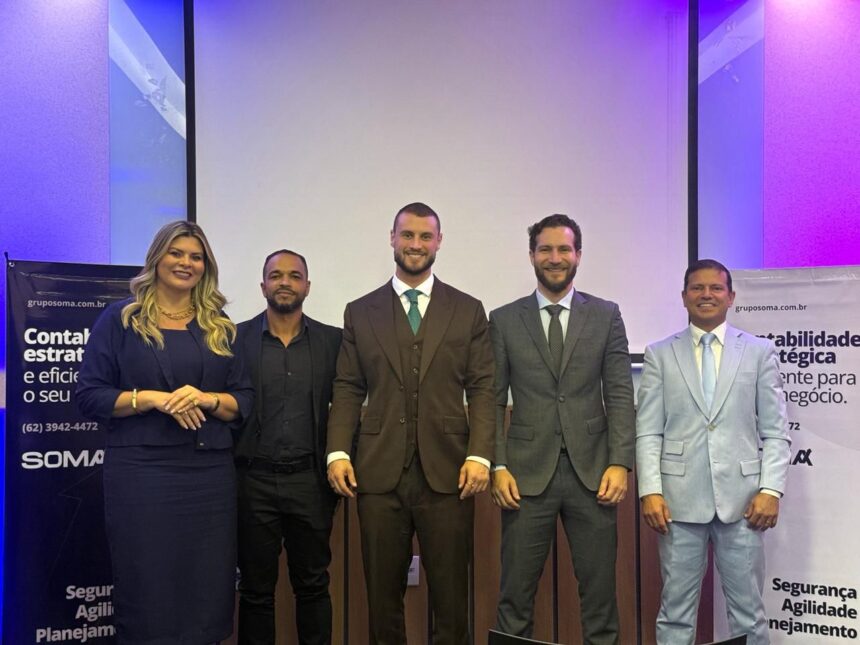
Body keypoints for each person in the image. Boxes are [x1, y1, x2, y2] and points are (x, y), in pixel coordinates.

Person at [326, 202, 495, 645]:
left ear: (439, 242)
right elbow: (348, 387)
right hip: (378, 474)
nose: (415, 244)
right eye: (407, 235)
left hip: (451, 474)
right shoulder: (360, 311)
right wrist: (338, 451)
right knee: (382, 600)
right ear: (392, 238)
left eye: (425, 236)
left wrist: (480, 455)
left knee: (452, 601)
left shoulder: (468, 310)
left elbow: (483, 388)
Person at [76, 220, 253, 644]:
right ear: (157, 258)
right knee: (148, 583)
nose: (186, 263)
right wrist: (151, 398)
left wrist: (208, 399)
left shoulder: (219, 325)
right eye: (176, 253)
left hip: (208, 477)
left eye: (196, 256)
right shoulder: (121, 320)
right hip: (142, 474)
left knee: (206, 587)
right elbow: (90, 395)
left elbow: (243, 400)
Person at [490, 214, 635, 644]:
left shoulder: (606, 315)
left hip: (594, 476)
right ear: (532, 255)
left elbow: (620, 394)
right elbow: (492, 400)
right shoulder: (503, 319)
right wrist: (498, 464)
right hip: (523, 477)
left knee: (600, 602)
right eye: (546, 249)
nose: (555, 258)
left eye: (564, 249)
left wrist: (620, 463)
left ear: (578, 255)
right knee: (514, 600)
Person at [636, 259, 791, 645]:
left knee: (749, 615)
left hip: (744, 505)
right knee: (675, 615)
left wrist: (771, 490)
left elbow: (776, 432)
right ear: (684, 297)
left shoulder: (758, 352)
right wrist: (650, 490)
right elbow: (649, 432)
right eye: (697, 288)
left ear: (731, 296)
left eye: (716, 288)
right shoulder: (659, 354)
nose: (706, 295)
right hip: (677, 505)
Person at [234, 249, 342, 645]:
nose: (285, 282)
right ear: (262, 285)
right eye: (276, 275)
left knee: (313, 585)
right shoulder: (234, 339)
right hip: (252, 483)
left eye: (294, 276)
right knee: (255, 590)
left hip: (310, 483)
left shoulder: (333, 341)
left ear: (307, 287)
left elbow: (348, 405)